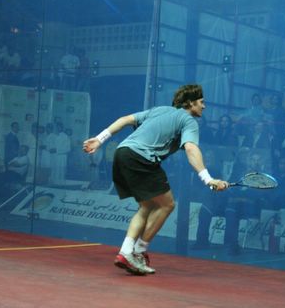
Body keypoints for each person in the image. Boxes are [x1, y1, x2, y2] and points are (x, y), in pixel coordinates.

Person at [83, 84, 228, 275]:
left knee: (147, 206)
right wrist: (208, 179)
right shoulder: (189, 121)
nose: (204, 106)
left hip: (122, 154)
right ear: (190, 103)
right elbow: (191, 148)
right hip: (141, 157)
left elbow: (124, 120)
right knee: (167, 205)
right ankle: (138, 252)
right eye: (201, 102)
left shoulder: (159, 110)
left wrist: (99, 139)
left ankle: (126, 252)